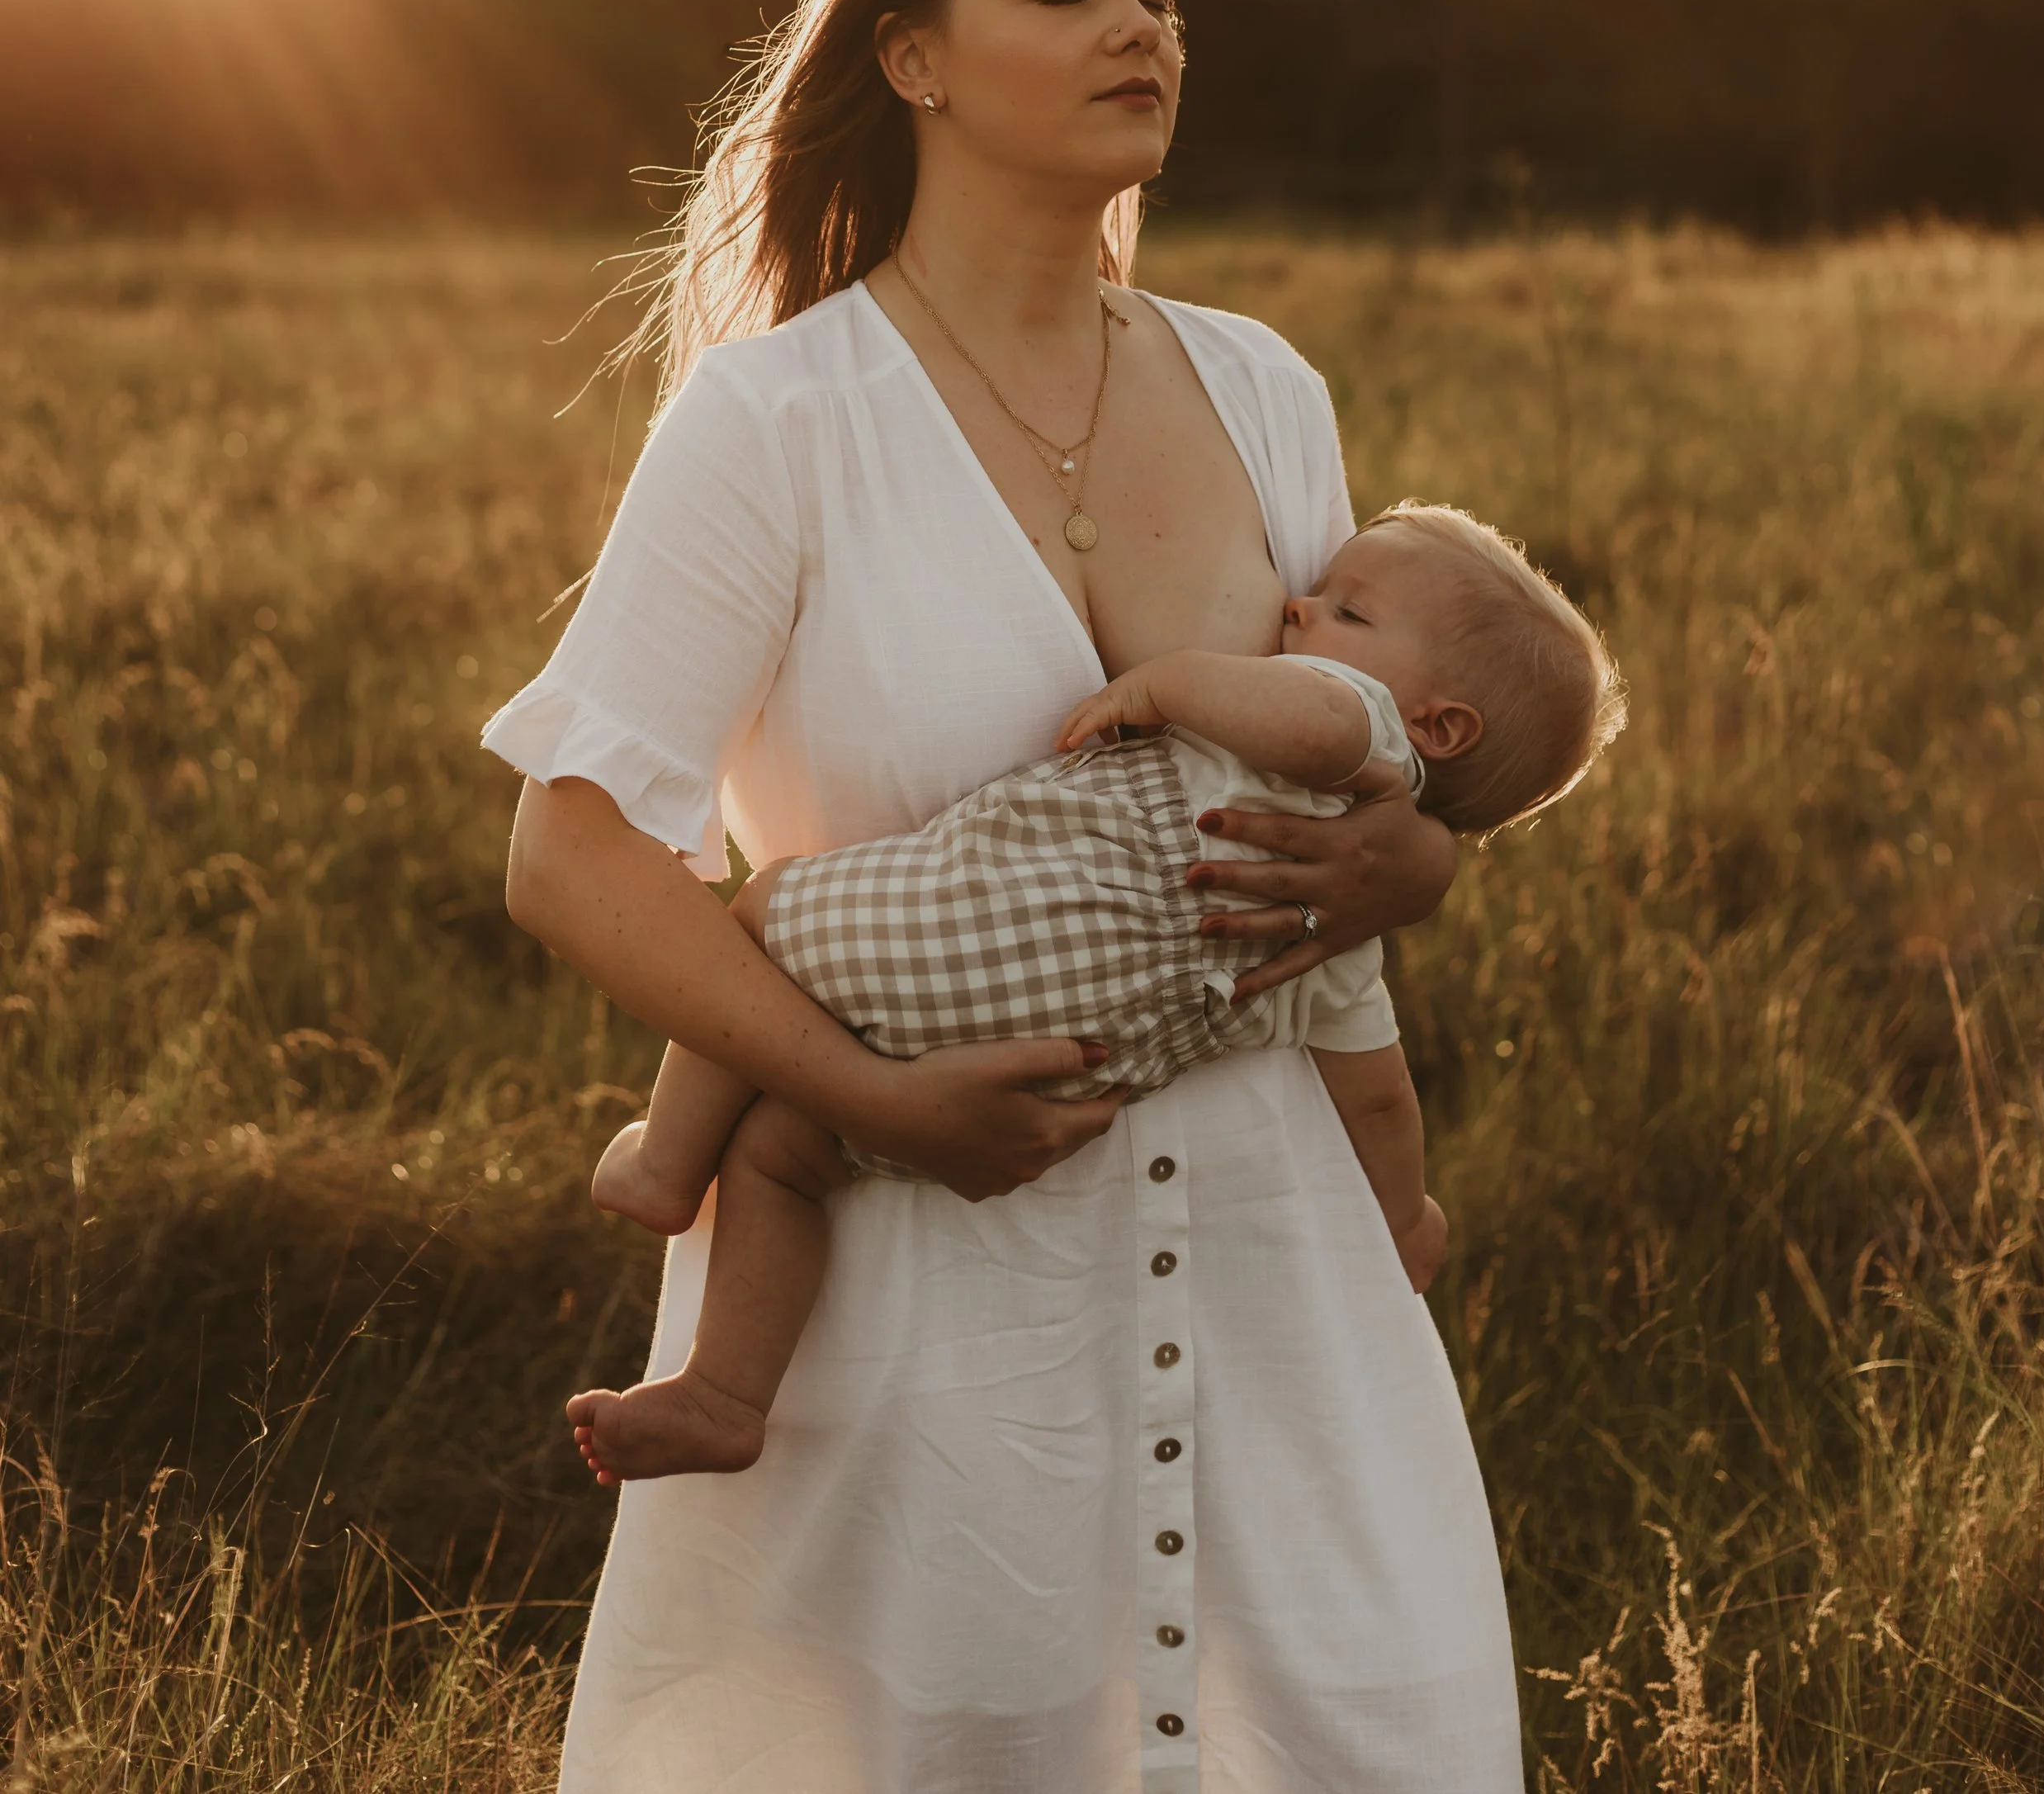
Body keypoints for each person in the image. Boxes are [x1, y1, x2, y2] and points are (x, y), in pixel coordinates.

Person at [491, 0, 1530, 1792]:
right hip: (902, 1291)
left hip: (1276, 1286)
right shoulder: (778, 417)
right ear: (914, 54)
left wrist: (1411, 862)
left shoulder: (1264, 388)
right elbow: (570, 847)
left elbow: (1363, 756)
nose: (1138, 23)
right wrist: (871, 1101)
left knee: (1329, 1732)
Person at [567, 503, 1621, 1486]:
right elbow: (1379, 1095)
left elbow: (1316, 725)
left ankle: (666, 1162)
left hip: (968, 938)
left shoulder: (1352, 731)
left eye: (1348, 611)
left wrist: (1163, 686)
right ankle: (724, 1394)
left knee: (764, 913)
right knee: (785, 1156)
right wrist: (1403, 1217)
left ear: (1434, 731)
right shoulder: (1338, 941)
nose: (1297, 607)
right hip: (1059, 1068)